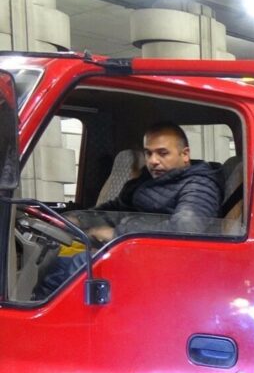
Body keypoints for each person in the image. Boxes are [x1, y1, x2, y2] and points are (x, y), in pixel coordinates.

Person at [34, 122, 224, 297]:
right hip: (137, 254)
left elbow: (186, 229)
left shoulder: (200, 185)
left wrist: (118, 234)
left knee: (79, 264)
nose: (153, 161)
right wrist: (79, 219)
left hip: (171, 267)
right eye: (148, 153)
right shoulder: (146, 181)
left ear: (185, 154)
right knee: (57, 265)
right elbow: (116, 209)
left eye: (163, 153)